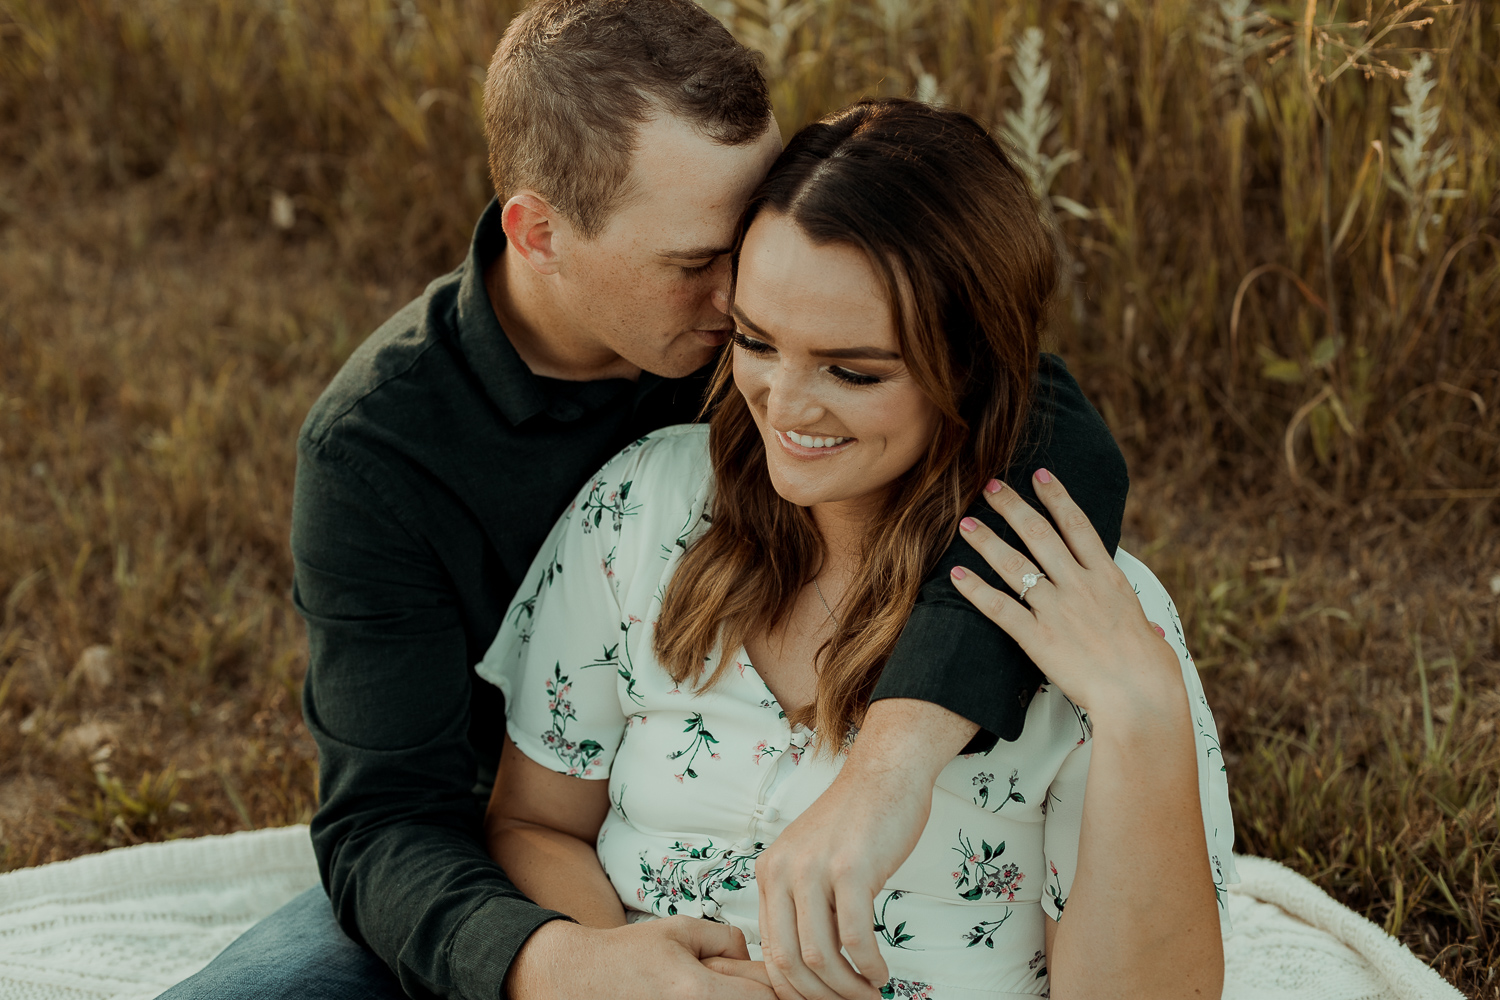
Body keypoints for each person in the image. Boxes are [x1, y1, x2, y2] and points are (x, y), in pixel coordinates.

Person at [159, 3, 1131, 999]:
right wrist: (569, 963)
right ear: (538, 232)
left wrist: (897, 757)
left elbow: (1037, 419)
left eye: (746, 238)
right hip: (489, 893)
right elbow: (383, 824)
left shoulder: (764, 343)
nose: (743, 297)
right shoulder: (380, 449)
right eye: (696, 263)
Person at [478, 98, 1236, 1000]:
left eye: (853, 370)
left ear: (972, 365)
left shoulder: (1090, 617)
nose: (786, 407)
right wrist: (617, 971)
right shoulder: (643, 509)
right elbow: (536, 824)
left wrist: (1142, 715)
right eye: (756, 341)